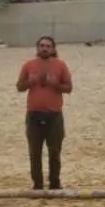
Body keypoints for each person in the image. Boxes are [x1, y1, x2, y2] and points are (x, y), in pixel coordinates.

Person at [17, 35, 73, 190]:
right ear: (37, 48)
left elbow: (69, 88)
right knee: (34, 152)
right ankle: (37, 184)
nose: (45, 49)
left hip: (54, 115)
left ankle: (55, 182)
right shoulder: (28, 65)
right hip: (33, 115)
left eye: (48, 46)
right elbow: (19, 87)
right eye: (42, 46)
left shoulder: (60, 65)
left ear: (53, 49)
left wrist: (54, 84)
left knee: (55, 151)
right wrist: (31, 81)